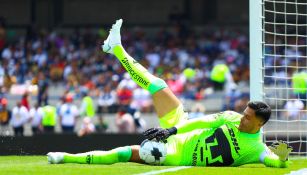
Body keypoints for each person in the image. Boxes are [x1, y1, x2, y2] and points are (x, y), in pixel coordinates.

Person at [47, 19, 292, 168]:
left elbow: (274, 162)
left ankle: (65, 158)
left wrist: (281, 159)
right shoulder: (231, 116)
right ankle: (117, 49)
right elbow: (202, 121)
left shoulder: (256, 149)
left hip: (177, 155)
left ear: (260, 124)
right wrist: (171, 130)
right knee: (158, 85)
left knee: (124, 153)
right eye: (244, 113)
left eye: (248, 118)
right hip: (181, 127)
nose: (242, 118)